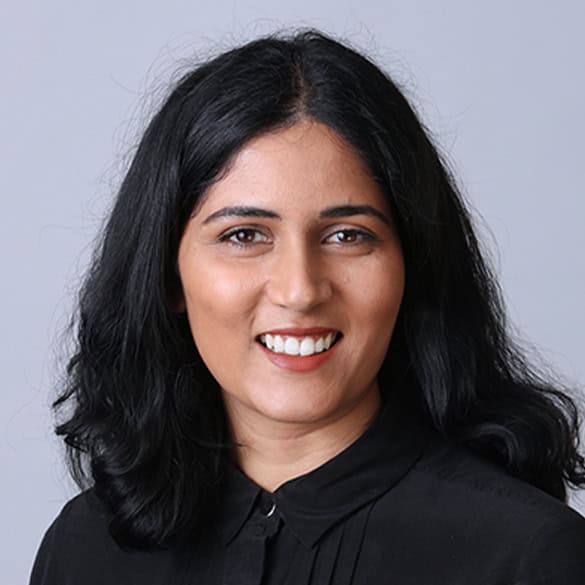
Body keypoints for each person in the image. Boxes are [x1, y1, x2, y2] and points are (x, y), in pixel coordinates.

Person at [30, 29, 585, 584]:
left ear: (412, 265)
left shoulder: (528, 555)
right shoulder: (84, 549)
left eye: (347, 235)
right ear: (168, 275)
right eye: (245, 235)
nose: (299, 290)